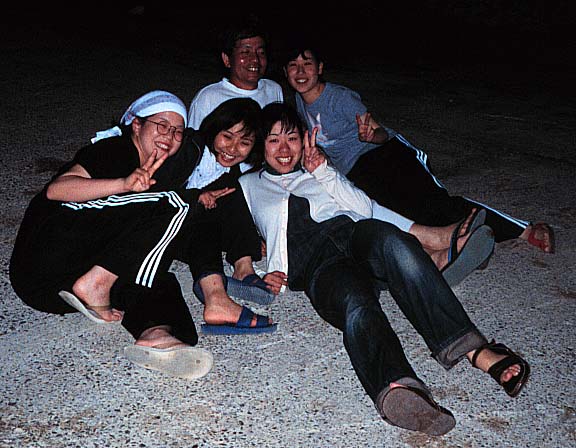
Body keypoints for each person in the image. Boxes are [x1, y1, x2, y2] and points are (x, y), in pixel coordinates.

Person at [239, 102, 530, 435]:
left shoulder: (317, 170)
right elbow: (236, 235)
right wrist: (257, 268)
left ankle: (476, 350)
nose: (284, 148)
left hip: (353, 235)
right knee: (355, 304)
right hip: (318, 264)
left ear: (304, 139)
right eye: (274, 139)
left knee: (394, 243)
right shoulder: (249, 185)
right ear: (261, 145)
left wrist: (322, 171)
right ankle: (399, 386)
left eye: (292, 138)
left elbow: (364, 208)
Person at [9, 90, 214, 380]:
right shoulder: (115, 149)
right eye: (161, 125)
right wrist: (123, 184)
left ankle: (156, 334)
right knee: (178, 203)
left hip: (54, 292)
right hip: (42, 261)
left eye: (177, 130)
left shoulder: (150, 169)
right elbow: (57, 190)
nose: (169, 135)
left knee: (152, 273)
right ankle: (96, 285)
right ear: (136, 125)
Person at [281, 45, 555, 254]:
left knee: (437, 204)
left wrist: (371, 135)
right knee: (404, 218)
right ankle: (463, 245)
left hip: (386, 154)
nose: (301, 72)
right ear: (286, 73)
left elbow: (379, 132)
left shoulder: (339, 98)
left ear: (320, 68)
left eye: (307, 64)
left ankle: (525, 229)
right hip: (357, 171)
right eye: (293, 65)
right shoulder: (298, 102)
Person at [182, 97, 277, 335]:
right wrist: (195, 197)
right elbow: (160, 192)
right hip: (164, 226)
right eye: (227, 136)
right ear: (214, 130)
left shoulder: (231, 168)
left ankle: (243, 267)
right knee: (207, 213)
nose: (233, 148)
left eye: (244, 142)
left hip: (197, 232)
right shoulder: (190, 149)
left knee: (233, 191)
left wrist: (254, 237)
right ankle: (216, 298)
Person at [187, 16, 284, 130]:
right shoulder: (208, 99)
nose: (255, 59)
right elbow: (194, 140)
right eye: (245, 52)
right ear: (227, 59)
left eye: (261, 52)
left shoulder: (273, 90)